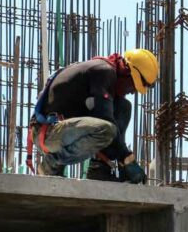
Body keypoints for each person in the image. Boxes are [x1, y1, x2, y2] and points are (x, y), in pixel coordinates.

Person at [27, 49, 158, 183]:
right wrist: (127, 159)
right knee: (106, 130)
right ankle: (52, 163)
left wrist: (123, 160)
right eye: (134, 86)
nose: (133, 92)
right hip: (48, 132)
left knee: (123, 107)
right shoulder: (104, 72)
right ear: (127, 72)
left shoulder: (106, 73)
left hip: (63, 130)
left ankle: (99, 168)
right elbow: (105, 119)